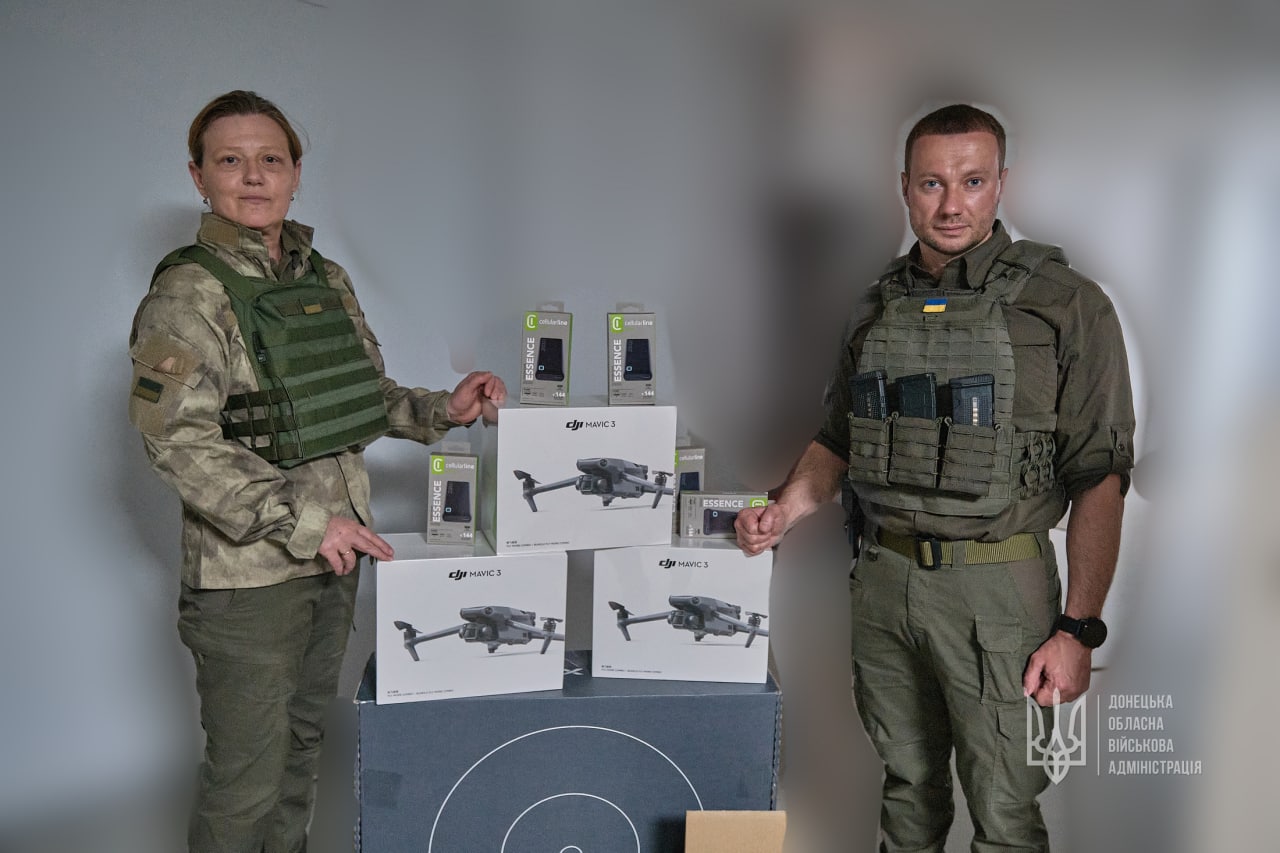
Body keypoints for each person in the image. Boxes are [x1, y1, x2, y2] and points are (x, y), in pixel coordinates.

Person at [736, 104, 1134, 852]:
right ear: (904, 188)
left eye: (972, 181)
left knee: (1005, 811)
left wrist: (1078, 628)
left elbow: (1100, 476)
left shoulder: (1068, 305)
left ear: (1002, 183)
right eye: (931, 183)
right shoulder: (874, 304)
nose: (952, 204)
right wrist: (783, 511)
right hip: (884, 580)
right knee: (905, 792)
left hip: (999, 589)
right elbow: (838, 440)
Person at [127, 90, 506, 853]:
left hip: (333, 562)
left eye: (271, 159)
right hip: (248, 580)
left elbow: (361, 397)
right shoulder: (188, 292)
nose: (253, 176)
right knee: (246, 781)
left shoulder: (324, 278)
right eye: (230, 160)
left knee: (301, 753)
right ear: (199, 177)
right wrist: (306, 522)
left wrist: (444, 409)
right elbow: (177, 441)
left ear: (296, 173)